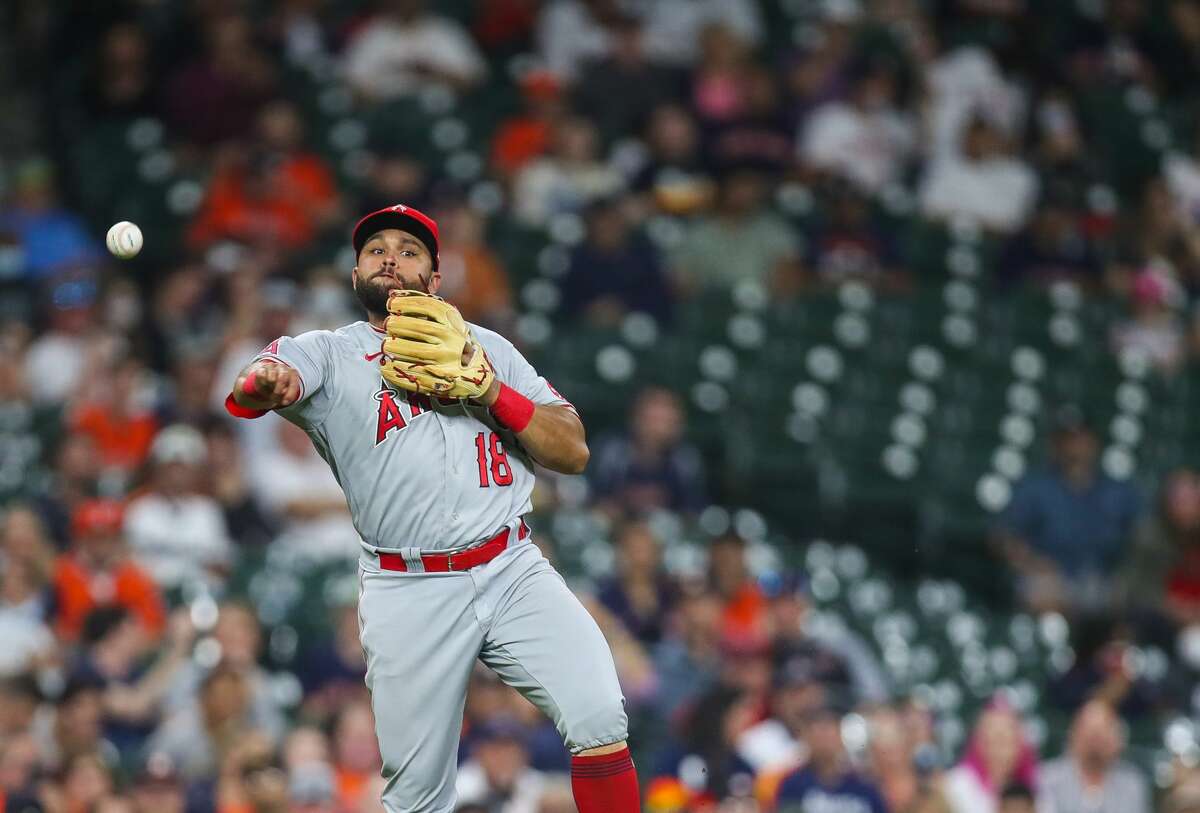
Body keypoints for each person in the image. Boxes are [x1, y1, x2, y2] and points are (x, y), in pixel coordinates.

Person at [224, 203, 638, 812]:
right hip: (407, 587)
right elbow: (261, 378)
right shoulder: (330, 354)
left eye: (409, 249)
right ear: (356, 273)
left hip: (512, 566)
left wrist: (494, 392)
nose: (390, 257)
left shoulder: (490, 348)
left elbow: (572, 449)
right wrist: (265, 382)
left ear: (436, 280)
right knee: (418, 798)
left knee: (601, 713)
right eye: (375, 250)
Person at [993, 405, 1140, 613]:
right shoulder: (1036, 487)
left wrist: (1124, 575)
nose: (1075, 446)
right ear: (1056, 444)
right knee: (1041, 592)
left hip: (1100, 580)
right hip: (1049, 579)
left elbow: (1141, 541)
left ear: (1094, 442)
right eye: (1068, 439)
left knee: (1125, 597)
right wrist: (1032, 563)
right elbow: (1003, 536)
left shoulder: (1117, 491)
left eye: (1081, 438)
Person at [588, 386, 708, 516]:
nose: (658, 429)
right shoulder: (612, 451)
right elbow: (592, 497)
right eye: (653, 420)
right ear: (636, 418)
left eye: (667, 421)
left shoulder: (686, 459)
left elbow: (694, 509)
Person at [774, 689, 888, 813]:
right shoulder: (793, 785)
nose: (825, 740)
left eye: (829, 731)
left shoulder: (863, 786)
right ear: (806, 737)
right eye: (818, 732)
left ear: (840, 735)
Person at [1037, 700, 1150, 813]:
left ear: (1116, 740)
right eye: (1091, 737)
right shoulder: (1048, 778)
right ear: (1074, 736)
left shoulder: (1132, 784)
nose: (1095, 747)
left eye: (1101, 738)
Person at [943, 699, 1039, 813]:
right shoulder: (957, 784)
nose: (997, 750)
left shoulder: (1036, 785)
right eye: (989, 741)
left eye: (1005, 741)